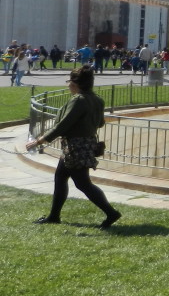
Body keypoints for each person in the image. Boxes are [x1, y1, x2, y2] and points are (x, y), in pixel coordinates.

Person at [24, 66, 122, 228]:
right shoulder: (97, 100)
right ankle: (54, 216)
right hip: (85, 144)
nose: (68, 85)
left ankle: (111, 213)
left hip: (75, 147)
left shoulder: (79, 100)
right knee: (60, 177)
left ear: (75, 83)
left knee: (83, 183)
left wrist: (38, 141)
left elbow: (62, 126)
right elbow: (100, 123)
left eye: (69, 81)